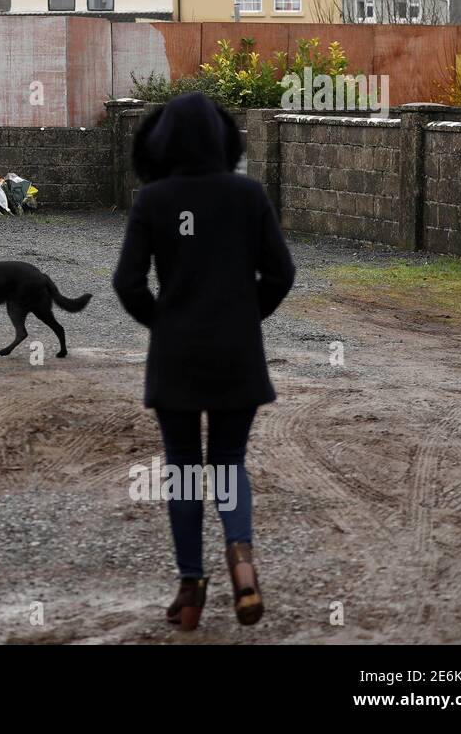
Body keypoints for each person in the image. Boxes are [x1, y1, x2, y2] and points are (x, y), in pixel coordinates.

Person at [112, 92, 295, 631]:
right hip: (237, 357)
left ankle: (190, 591)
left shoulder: (153, 199)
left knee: (185, 471)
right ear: (223, 140)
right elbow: (281, 274)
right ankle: (242, 563)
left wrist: (165, 326)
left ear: (164, 141)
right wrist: (243, 319)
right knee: (230, 463)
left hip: (177, 360)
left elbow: (127, 282)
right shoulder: (248, 194)